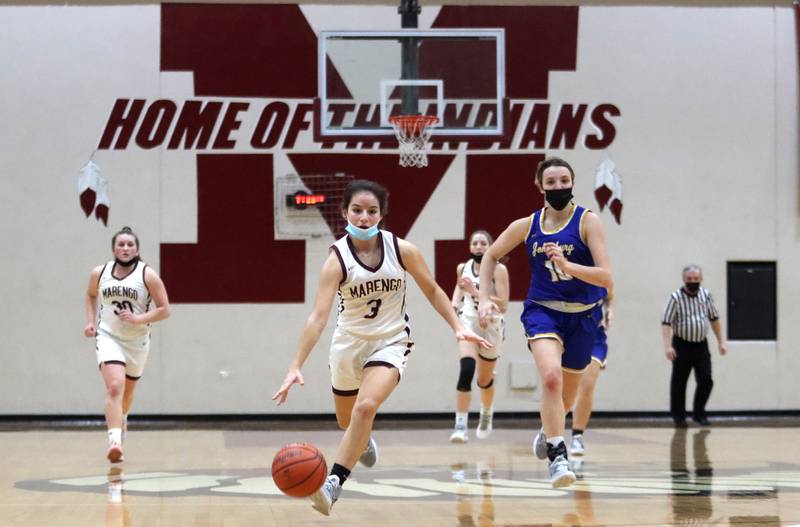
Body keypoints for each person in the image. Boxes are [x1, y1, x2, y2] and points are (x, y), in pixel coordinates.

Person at [272, 179, 491, 516]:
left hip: (391, 341)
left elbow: (432, 290)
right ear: (345, 213)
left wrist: (459, 326)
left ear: (381, 215)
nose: (363, 218)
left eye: (371, 211)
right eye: (357, 211)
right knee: (348, 420)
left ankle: (333, 484)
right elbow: (318, 317)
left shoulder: (402, 250)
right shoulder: (336, 260)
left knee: (365, 407)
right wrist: (295, 364)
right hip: (348, 344)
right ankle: (361, 440)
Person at [477, 156, 613, 488]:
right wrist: (483, 297)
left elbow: (606, 277)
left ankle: (547, 428)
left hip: (583, 315)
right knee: (550, 378)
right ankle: (557, 454)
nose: (558, 187)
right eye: (550, 182)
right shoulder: (528, 225)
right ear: (540, 186)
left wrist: (569, 267)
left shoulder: (588, 222)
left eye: (563, 180)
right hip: (543, 311)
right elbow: (491, 255)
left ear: (572, 182)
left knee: (567, 397)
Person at [84, 226, 171, 463]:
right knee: (114, 386)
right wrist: (91, 322)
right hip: (108, 336)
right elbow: (91, 294)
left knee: (127, 396)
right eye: (121, 244)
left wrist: (138, 319)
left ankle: (122, 420)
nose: (125, 248)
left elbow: (165, 310)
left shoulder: (147, 275)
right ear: (114, 248)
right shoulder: (99, 273)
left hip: (137, 341)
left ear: (137, 249)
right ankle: (114, 441)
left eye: (130, 244)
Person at [449, 230, 509, 443]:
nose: (478, 246)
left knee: (484, 380)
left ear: (491, 246)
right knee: (466, 370)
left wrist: (476, 292)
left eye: (483, 243)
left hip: (492, 325)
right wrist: (454, 302)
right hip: (469, 322)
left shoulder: (499, 269)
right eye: (475, 243)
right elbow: (459, 287)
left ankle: (486, 412)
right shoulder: (462, 268)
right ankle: (460, 425)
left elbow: (503, 304)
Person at [661, 265, 727, 427]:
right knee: (679, 382)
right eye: (690, 279)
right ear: (684, 280)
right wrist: (668, 346)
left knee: (706, 380)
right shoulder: (675, 297)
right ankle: (679, 417)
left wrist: (721, 342)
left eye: (696, 279)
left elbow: (714, 318)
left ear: (701, 279)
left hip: (701, 346)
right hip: (681, 345)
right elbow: (666, 323)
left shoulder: (706, 295)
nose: (693, 282)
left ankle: (699, 414)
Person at [568, 291, 613, 456]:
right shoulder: (564, 269)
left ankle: (577, 435)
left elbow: (609, 294)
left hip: (594, 337)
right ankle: (551, 431)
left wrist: (610, 308)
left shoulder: (600, 271)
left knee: (587, 385)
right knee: (565, 389)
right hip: (568, 332)